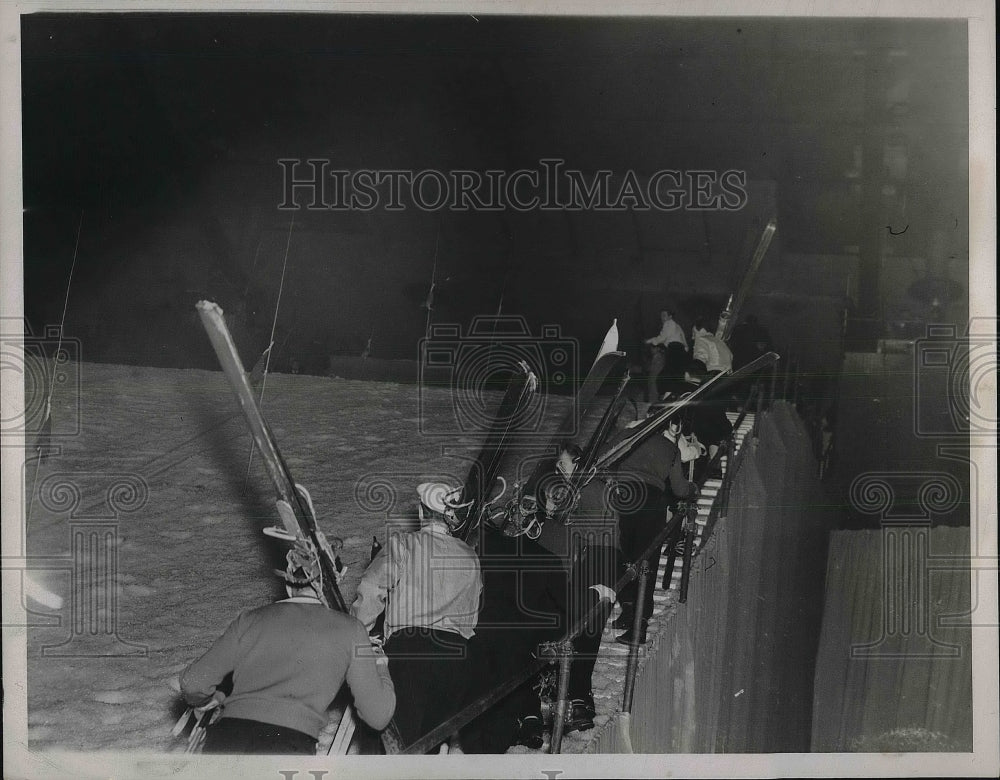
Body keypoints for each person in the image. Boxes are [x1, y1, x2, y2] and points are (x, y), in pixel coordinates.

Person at [179, 560, 396, 755]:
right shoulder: (351, 630)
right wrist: (380, 664)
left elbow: (193, 683)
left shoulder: (250, 619)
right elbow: (378, 716)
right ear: (334, 581)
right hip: (289, 746)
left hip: (227, 740)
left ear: (289, 583)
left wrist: (209, 700)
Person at [351, 481, 483, 749]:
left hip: (410, 652)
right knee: (432, 744)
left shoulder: (403, 545)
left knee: (399, 742)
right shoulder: (470, 556)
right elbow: (473, 613)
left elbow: (372, 587)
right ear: (450, 517)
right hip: (457, 658)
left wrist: (359, 633)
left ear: (422, 513)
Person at [610, 407, 696, 645]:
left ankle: (627, 610)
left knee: (623, 555)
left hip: (624, 497)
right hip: (652, 503)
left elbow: (606, 457)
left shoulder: (629, 435)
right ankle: (639, 625)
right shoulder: (670, 448)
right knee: (646, 560)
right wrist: (692, 489)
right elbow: (679, 489)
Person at [644, 309, 688, 402]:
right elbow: (683, 339)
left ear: (670, 316)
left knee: (666, 376)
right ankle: (673, 398)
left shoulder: (668, 323)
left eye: (664, 315)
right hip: (681, 351)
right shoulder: (677, 326)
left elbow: (662, 337)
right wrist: (685, 348)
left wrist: (650, 341)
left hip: (674, 349)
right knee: (676, 376)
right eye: (661, 316)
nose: (662, 318)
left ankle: (665, 398)